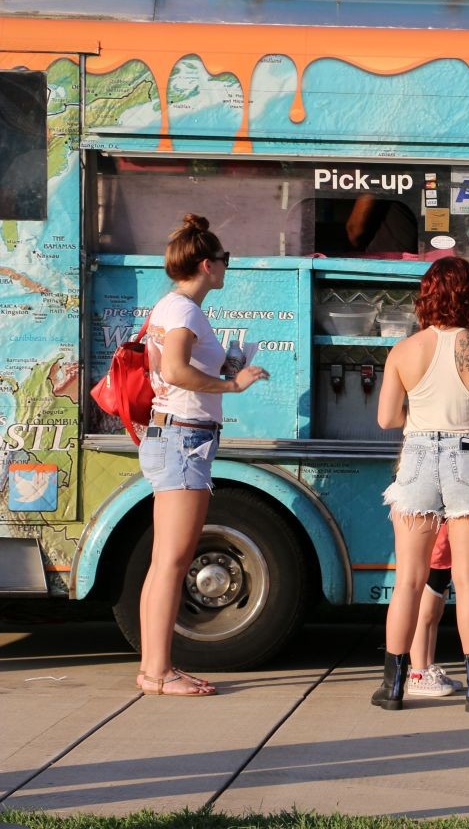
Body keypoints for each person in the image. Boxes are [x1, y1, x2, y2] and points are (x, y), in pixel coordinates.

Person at [371, 255, 469, 712]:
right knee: (468, 581)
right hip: (467, 457)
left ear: (426, 297)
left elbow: (386, 419)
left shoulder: (403, 351)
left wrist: (423, 417)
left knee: (408, 581)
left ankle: (393, 685)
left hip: (416, 456)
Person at [136, 214, 270, 696]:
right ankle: (159, 672)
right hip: (183, 440)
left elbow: (171, 370)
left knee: (163, 562)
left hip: (172, 437)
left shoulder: (169, 306)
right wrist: (232, 385)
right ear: (207, 265)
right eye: (224, 259)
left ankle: (153, 669)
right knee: (174, 561)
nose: (227, 266)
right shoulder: (186, 311)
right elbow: (174, 370)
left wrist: (224, 369)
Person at [406, 521, 461, 697]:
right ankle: (418, 675)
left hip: (445, 558)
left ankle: (429, 670)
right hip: (433, 557)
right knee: (424, 616)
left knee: (434, 615)